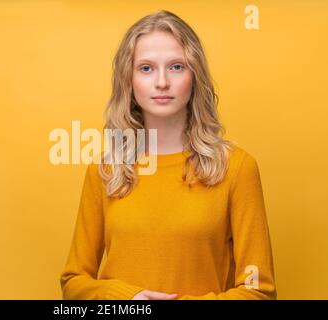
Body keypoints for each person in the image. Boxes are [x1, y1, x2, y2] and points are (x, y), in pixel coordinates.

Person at [60, 10, 277, 300]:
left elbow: (259, 291)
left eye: (176, 67)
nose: (162, 82)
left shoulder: (236, 168)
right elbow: (73, 282)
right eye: (146, 68)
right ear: (129, 79)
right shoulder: (107, 170)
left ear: (194, 75)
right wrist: (128, 300)